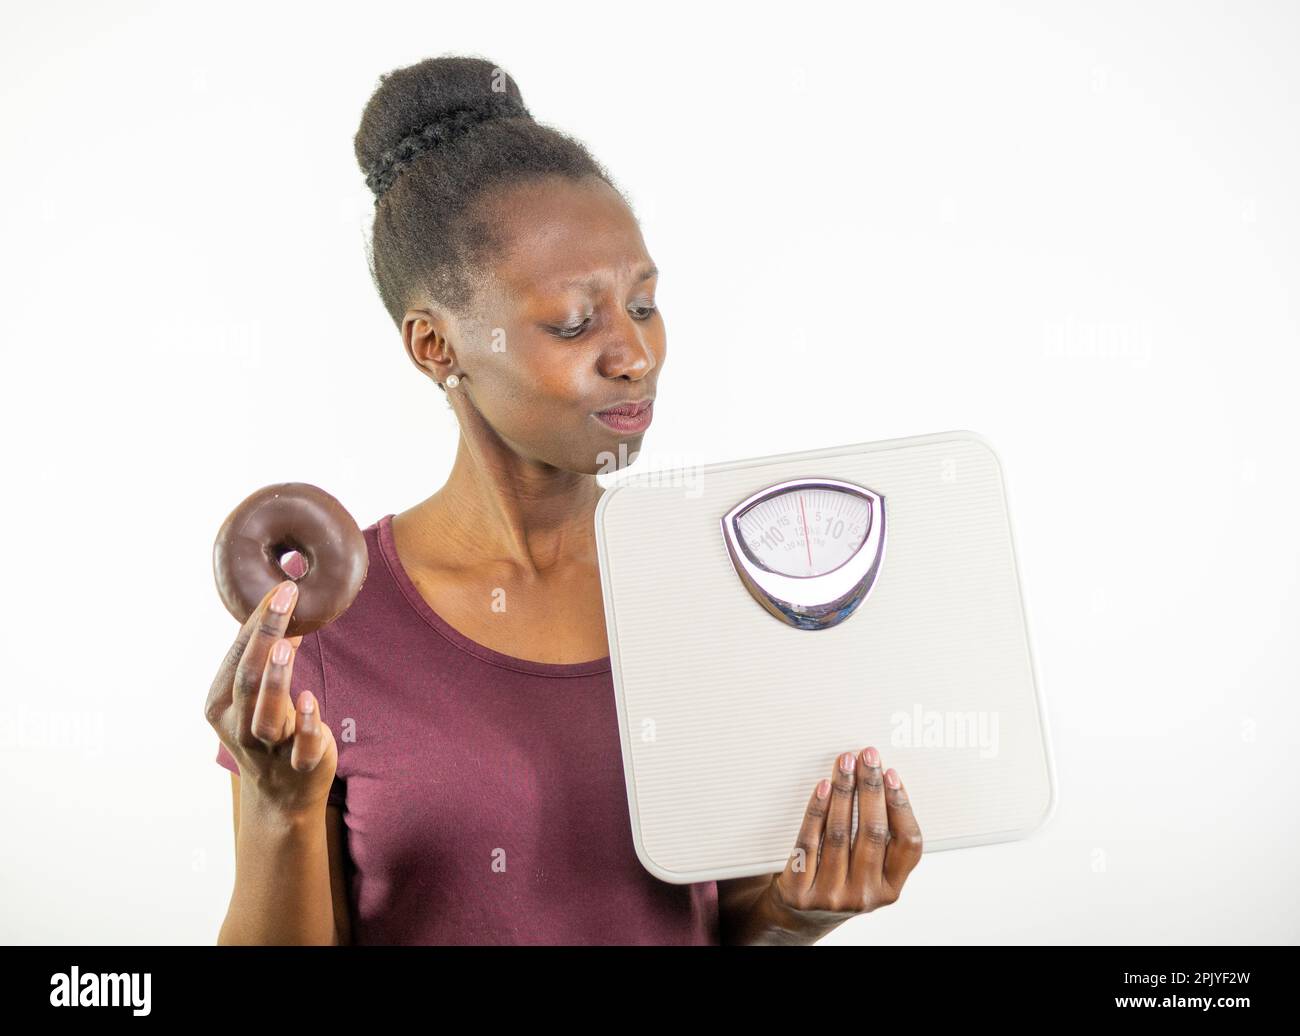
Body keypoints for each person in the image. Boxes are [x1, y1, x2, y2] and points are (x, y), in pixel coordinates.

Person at [205, 54, 923, 946]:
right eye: (576, 323)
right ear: (436, 346)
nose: (636, 355)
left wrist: (795, 910)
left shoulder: (713, 586)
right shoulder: (330, 631)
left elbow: (726, 923)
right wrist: (278, 808)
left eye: (644, 304)